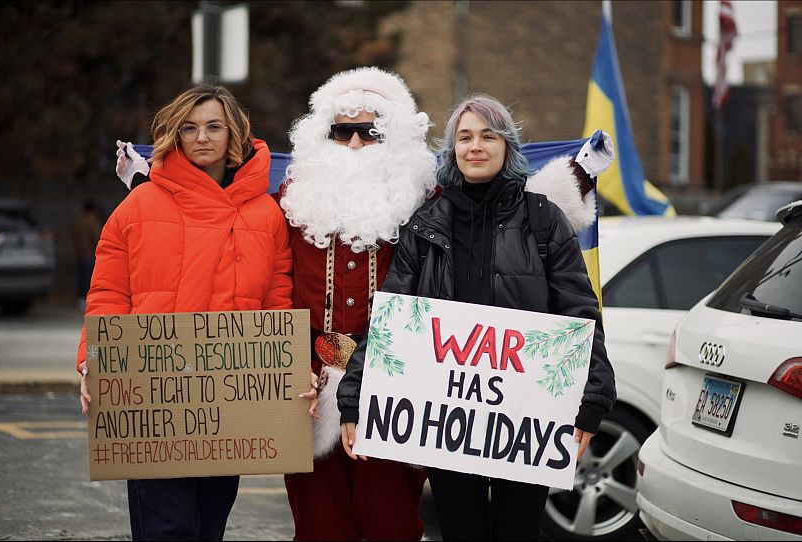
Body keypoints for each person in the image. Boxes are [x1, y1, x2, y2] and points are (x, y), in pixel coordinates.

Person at [337, 95, 616, 541]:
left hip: (527, 420)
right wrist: (353, 397)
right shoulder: (426, 225)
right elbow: (390, 321)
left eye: (488, 135)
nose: (476, 146)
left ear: (507, 147)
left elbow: (582, 314)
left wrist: (593, 399)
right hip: (449, 424)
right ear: (452, 151)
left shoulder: (544, 220)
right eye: (464, 137)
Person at [78, 84, 293, 540]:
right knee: (169, 529)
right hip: (152, 399)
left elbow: (277, 297)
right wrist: (91, 364)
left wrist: (289, 365)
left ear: (234, 134)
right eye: (189, 128)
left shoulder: (266, 214)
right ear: (174, 136)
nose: (202, 138)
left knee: (208, 527)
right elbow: (109, 294)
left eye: (214, 126)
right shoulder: (138, 205)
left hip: (227, 403)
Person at [277, 66, 438, 541]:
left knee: (392, 520)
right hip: (305, 382)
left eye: (369, 132)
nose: (352, 144)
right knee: (318, 524)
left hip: (394, 381)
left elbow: (496, 207)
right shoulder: (288, 202)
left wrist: (570, 182)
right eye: (340, 131)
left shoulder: (427, 202)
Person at [71, 198, 102, 309]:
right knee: (89, 279)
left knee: (81, 277)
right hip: (90, 254)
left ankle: (80, 298)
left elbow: (74, 237)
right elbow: (97, 238)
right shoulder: (92, 221)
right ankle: (86, 300)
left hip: (80, 254)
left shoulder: (78, 221)